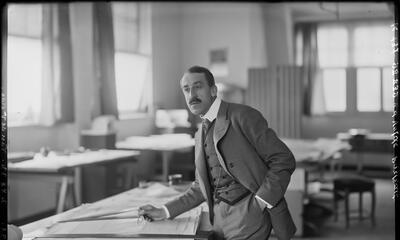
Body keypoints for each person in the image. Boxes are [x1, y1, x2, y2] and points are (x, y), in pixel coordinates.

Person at [139, 66, 296, 240]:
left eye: (198, 86)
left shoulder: (243, 116)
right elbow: (200, 187)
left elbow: (283, 159)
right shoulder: (199, 134)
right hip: (218, 219)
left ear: (213, 90)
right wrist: (165, 211)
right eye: (186, 89)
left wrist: (261, 201)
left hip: (250, 213)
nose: (192, 95)